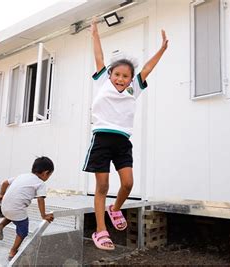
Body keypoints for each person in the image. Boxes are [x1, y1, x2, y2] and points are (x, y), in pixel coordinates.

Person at [82, 17, 168, 250]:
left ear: (131, 79)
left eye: (125, 76)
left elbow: (148, 68)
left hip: (122, 142)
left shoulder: (134, 88)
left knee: (128, 184)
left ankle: (116, 208)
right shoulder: (103, 83)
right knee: (102, 187)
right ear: (110, 74)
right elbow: (99, 57)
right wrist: (95, 34)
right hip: (101, 139)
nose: (120, 79)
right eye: (117, 75)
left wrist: (161, 49)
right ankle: (100, 230)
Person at [0, 156, 55, 260]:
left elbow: (5, 183)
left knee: (14, 214)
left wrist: (0, 194)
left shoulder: (22, 176)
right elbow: (40, 199)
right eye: (50, 175)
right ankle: (13, 251)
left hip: (4, 206)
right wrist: (43, 215)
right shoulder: (40, 183)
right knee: (23, 230)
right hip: (16, 210)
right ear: (45, 173)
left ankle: (0, 226)